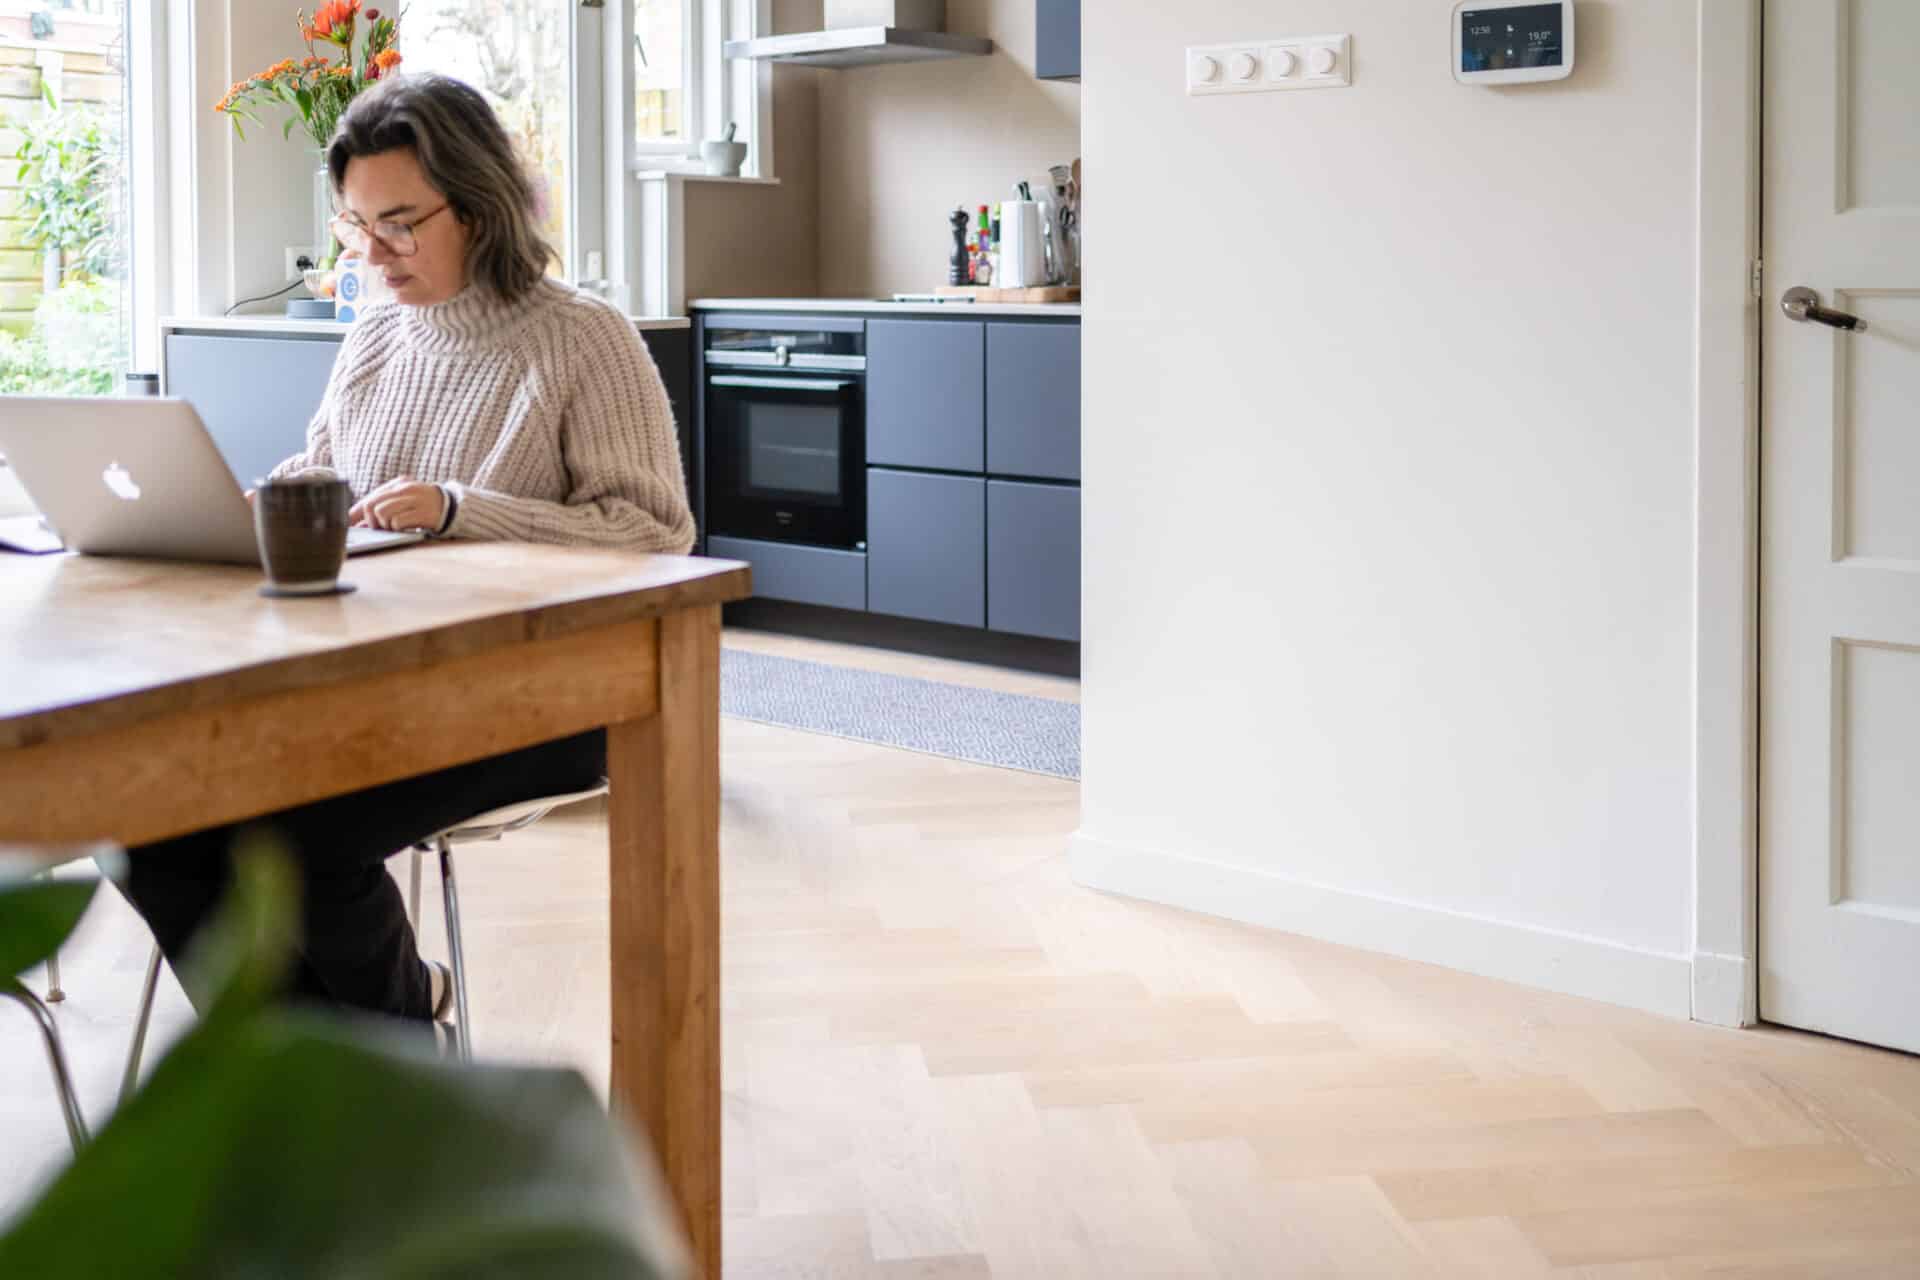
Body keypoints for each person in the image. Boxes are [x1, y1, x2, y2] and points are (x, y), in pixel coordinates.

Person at [124, 73, 694, 1040]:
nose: (374, 255)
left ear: (477, 206)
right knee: (155, 824)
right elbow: (328, 464)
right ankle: (304, 1069)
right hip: (373, 670)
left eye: (399, 224)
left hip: (537, 687)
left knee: (301, 830)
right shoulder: (379, 330)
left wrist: (462, 509)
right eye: (355, 226)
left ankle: (391, 1055)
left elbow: (652, 530)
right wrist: (269, 499)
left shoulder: (584, 338)